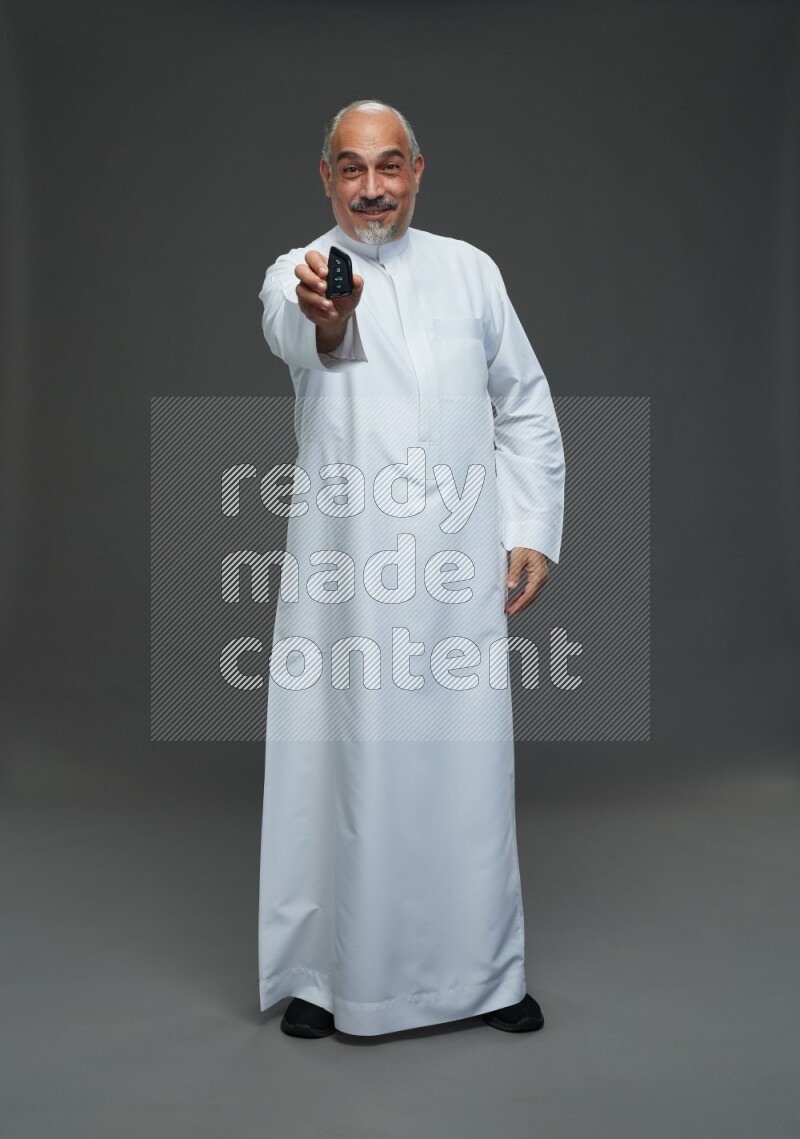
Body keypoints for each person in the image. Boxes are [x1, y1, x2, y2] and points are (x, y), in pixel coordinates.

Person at [257, 99, 565, 1038]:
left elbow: (523, 401)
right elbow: (305, 333)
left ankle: (486, 975)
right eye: (351, 168)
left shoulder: (472, 271)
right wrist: (328, 316)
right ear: (326, 178)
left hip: (458, 572)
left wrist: (531, 528)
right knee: (340, 762)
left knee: (465, 773)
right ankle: (327, 977)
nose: (372, 188)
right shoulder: (297, 272)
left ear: (417, 172)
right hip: (348, 574)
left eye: (388, 165)